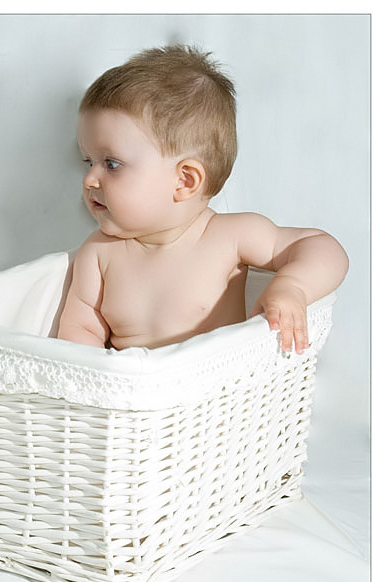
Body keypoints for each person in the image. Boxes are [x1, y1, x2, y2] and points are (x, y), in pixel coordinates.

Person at [57, 45, 348, 352]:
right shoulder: (98, 254)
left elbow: (322, 247)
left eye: (111, 164)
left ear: (184, 180)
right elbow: (80, 330)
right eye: (88, 162)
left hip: (218, 395)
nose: (89, 180)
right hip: (135, 395)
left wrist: (293, 287)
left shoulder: (229, 236)